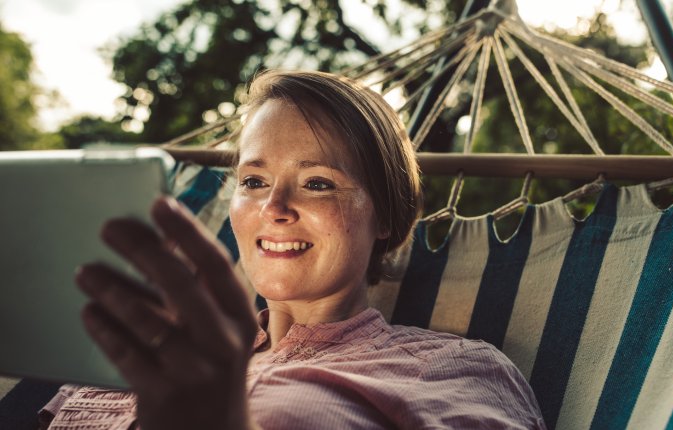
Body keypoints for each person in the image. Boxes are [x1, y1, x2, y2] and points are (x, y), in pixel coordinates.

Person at [40, 70, 545, 429]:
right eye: (254, 179)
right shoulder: (139, 349)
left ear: (387, 216)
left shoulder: (449, 372)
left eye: (319, 183)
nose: (274, 207)